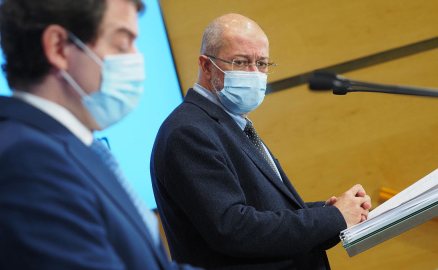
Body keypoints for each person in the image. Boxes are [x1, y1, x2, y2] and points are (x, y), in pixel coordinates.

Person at [0, 0, 199, 269]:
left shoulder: (68, 147)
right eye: (122, 44)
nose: (136, 58)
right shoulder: (25, 166)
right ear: (59, 48)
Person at [151, 13, 372, 270]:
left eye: (262, 63)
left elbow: (263, 209)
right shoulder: (188, 131)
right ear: (206, 65)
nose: (254, 74)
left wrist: (330, 212)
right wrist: (332, 218)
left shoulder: (230, 123)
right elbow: (233, 228)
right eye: (241, 62)